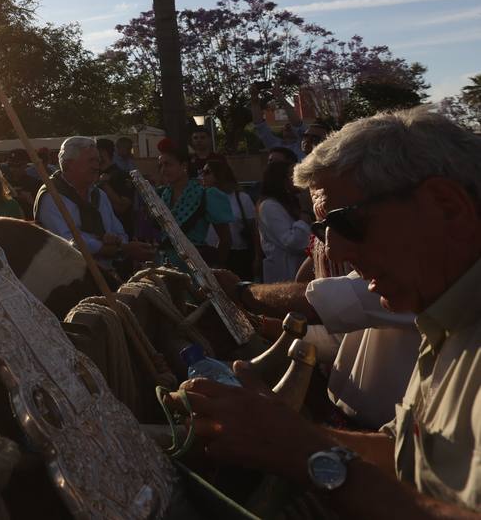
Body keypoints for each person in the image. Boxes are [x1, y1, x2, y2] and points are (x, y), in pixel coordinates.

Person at [175, 107, 481, 514]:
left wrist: (307, 455)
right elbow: (413, 458)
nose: (333, 250)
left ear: (447, 206)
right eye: (321, 230)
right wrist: (281, 432)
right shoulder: (446, 319)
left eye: (347, 222)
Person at [35, 137, 154, 270]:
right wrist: (115, 248)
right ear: (68, 164)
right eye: (91, 161)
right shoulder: (51, 196)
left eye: (98, 160)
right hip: (67, 279)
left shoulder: (99, 195)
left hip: (106, 274)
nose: (96, 166)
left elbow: (120, 233)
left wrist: (116, 240)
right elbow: (68, 243)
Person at [155, 141, 233, 269]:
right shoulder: (162, 195)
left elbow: (225, 239)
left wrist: (215, 268)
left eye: (168, 164)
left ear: (184, 166)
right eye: (161, 165)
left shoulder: (205, 195)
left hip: (196, 268)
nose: (163, 170)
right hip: (166, 266)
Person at [203, 157, 258, 280]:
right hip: (211, 254)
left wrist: (257, 258)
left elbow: (254, 230)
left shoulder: (242, 198)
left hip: (238, 255)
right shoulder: (204, 198)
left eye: (207, 172)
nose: (203, 177)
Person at [257, 159, 311, 282]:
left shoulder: (292, 201)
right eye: (292, 176)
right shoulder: (269, 206)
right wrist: (305, 212)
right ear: (281, 179)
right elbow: (293, 242)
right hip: (284, 274)